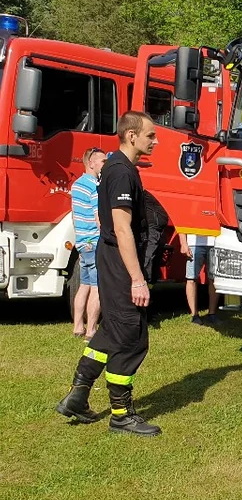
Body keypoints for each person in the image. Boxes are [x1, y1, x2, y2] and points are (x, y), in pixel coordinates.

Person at [55, 111, 162, 436]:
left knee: (111, 331)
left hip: (113, 258)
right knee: (130, 337)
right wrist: (137, 279)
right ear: (132, 136)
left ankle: (78, 395)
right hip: (119, 261)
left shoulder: (120, 168)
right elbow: (120, 227)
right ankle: (121, 414)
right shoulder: (120, 172)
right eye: (150, 135)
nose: (156, 141)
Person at [70, 147, 107, 340]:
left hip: (82, 243)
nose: (104, 165)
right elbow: (98, 217)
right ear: (90, 163)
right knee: (97, 286)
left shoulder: (76, 185)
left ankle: (77, 326)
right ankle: (91, 330)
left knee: (83, 285)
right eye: (102, 161)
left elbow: (75, 217)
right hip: (94, 242)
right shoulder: (95, 187)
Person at [179, 232, 219, 324]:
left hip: (215, 243)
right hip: (193, 243)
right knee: (191, 279)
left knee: (214, 279)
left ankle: (212, 314)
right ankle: (194, 315)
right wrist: (183, 243)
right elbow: (181, 222)